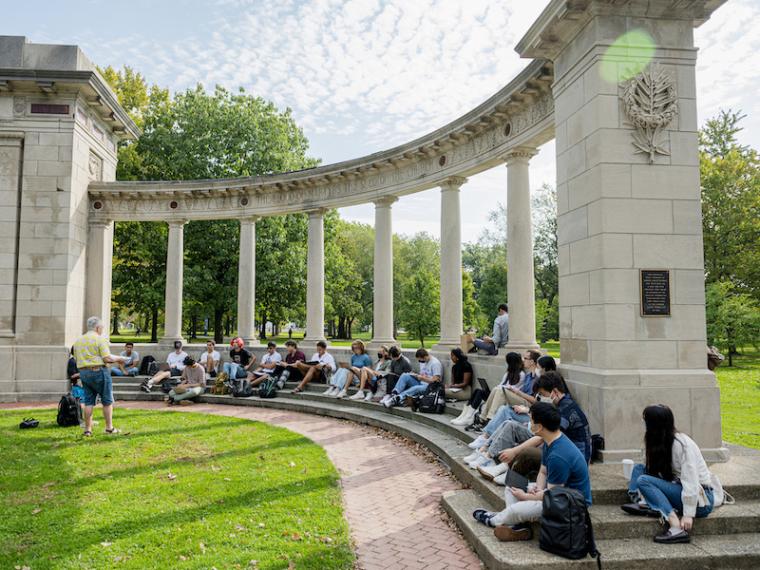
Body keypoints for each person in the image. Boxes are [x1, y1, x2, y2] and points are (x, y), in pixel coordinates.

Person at [471, 402, 591, 542]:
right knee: (511, 487)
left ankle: (493, 520)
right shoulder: (550, 440)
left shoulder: (559, 456)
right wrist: (538, 488)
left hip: (570, 506)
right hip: (555, 493)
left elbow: (552, 496)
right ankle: (517, 526)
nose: (529, 423)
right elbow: (543, 472)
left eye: (531, 420)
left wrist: (526, 497)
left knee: (516, 509)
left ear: (539, 427)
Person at [473, 370, 592, 482]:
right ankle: (497, 463)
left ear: (554, 392)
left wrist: (515, 451)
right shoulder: (562, 404)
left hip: (573, 461)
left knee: (530, 451)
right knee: (513, 427)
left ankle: (510, 473)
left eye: (542, 394)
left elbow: (546, 436)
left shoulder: (566, 410)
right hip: (562, 452)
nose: (540, 398)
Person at [621, 405, 716, 544]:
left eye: (645, 420)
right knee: (639, 469)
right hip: (677, 487)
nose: (644, 424)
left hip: (700, 500)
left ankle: (675, 526)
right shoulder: (658, 440)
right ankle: (645, 503)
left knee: (643, 480)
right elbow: (653, 469)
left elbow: (691, 480)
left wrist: (688, 514)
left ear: (654, 424)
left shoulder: (683, 445)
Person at [72, 316, 128, 437]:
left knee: (88, 402)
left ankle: (88, 430)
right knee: (107, 401)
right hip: (99, 371)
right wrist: (121, 359)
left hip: (84, 373)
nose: (102, 329)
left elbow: (76, 358)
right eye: (102, 327)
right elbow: (107, 358)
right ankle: (109, 428)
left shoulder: (78, 341)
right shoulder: (99, 339)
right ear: (97, 327)